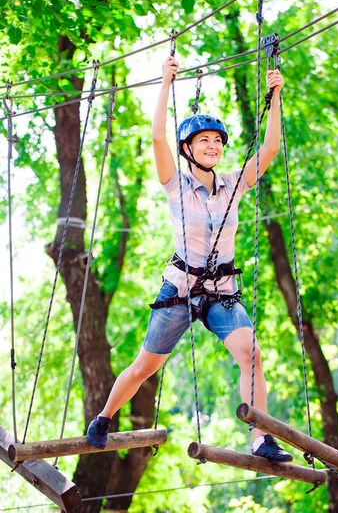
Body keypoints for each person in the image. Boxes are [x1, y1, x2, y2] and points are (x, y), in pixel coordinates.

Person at [86, 56, 292, 463]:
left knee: (251, 352)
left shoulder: (233, 184)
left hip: (221, 293)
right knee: (145, 367)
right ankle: (105, 416)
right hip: (178, 290)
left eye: (218, 140)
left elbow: (270, 147)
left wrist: (276, 95)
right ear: (188, 150)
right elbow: (157, 138)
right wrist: (165, 82)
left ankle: (260, 438)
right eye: (204, 141)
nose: (213, 146)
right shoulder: (175, 185)